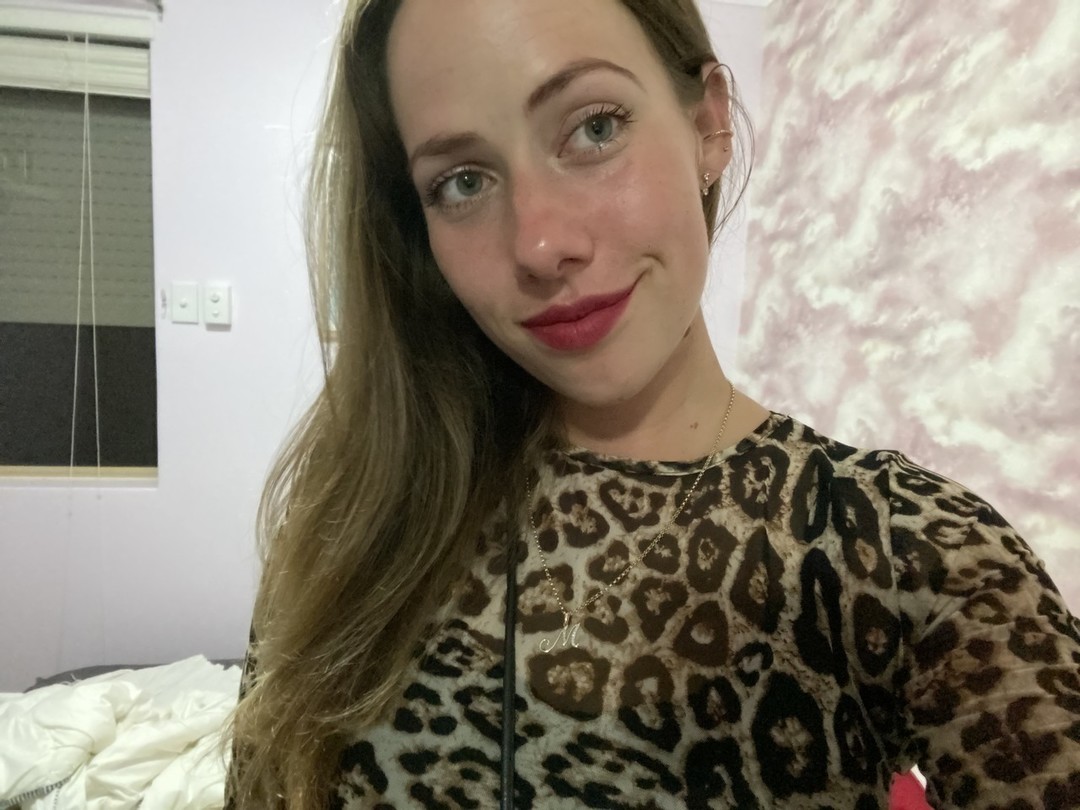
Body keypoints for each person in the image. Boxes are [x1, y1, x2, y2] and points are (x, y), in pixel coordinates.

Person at [226, 0, 1080, 807]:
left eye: (594, 129)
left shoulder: (901, 552)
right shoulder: (360, 508)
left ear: (709, 126)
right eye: (462, 182)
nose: (541, 243)